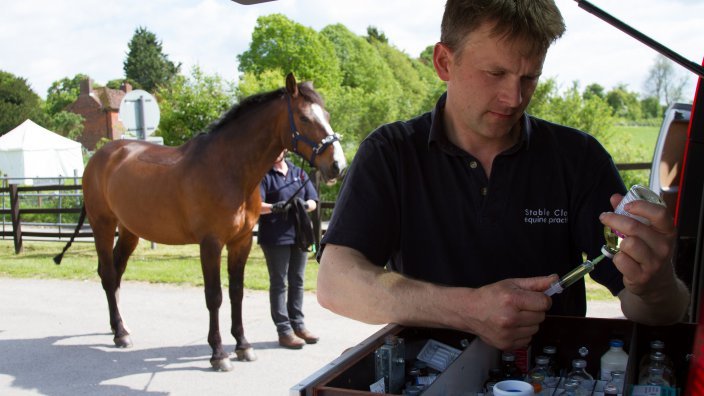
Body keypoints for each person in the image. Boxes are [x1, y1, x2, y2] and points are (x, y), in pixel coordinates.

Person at [317, 0, 690, 352]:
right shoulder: (391, 152)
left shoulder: (578, 158)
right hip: (426, 377)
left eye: (530, 77)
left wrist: (655, 287)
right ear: (444, 62)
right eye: (496, 73)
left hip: (549, 377)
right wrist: (469, 309)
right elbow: (335, 283)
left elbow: (656, 312)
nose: (514, 98)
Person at [259, 149, 319, 349]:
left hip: (299, 235)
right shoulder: (264, 174)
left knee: (298, 280)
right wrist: (275, 207)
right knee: (279, 283)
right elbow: (256, 205)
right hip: (275, 237)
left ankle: (298, 325)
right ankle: (284, 330)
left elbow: (313, 200)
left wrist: (302, 205)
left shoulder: (298, 172)